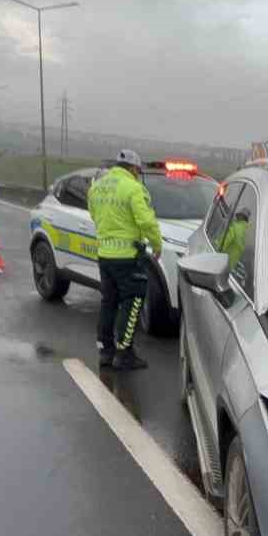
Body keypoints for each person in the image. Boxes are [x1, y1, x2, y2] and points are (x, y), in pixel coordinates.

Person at [89, 149, 162, 370]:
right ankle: (124, 353)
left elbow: (94, 215)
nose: (138, 174)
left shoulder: (97, 187)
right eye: (138, 171)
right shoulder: (133, 188)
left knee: (108, 303)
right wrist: (156, 244)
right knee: (132, 302)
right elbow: (146, 221)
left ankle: (106, 351)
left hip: (105, 255)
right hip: (128, 257)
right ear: (132, 168)